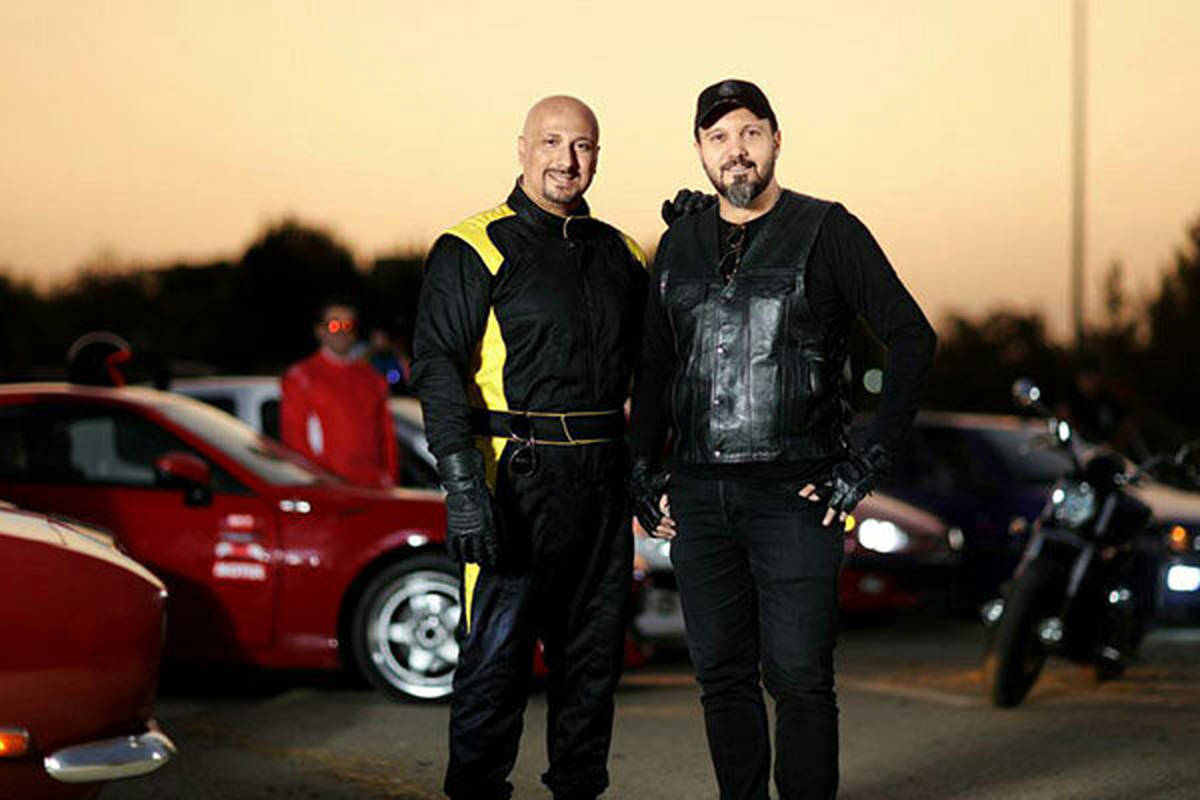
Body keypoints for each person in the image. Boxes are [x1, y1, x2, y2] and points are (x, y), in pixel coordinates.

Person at [628, 79, 937, 800]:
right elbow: (654, 366)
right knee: (721, 677)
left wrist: (867, 461)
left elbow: (912, 337)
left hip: (796, 495)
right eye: (718, 138)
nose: (735, 150)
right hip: (699, 495)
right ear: (700, 151)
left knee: (799, 678)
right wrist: (640, 470)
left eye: (749, 132)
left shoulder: (829, 230)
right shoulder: (677, 244)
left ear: (775, 139)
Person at [411, 95, 648, 800]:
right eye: (551, 142)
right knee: (496, 665)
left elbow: (659, 367)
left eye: (582, 146)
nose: (566, 160)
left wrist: (698, 243)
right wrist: (462, 485)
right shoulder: (473, 246)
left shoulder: (623, 253)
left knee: (592, 667)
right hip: (512, 482)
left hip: (602, 486)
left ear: (597, 156)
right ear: (521, 148)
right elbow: (437, 366)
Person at [280, 300, 398, 489]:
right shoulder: (301, 377)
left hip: (372, 488)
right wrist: (320, 484)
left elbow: (387, 437)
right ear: (320, 331)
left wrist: (389, 479)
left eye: (348, 325)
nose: (342, 331)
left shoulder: (372, 379)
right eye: (334, 325)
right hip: (330, 490)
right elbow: (295, 442)